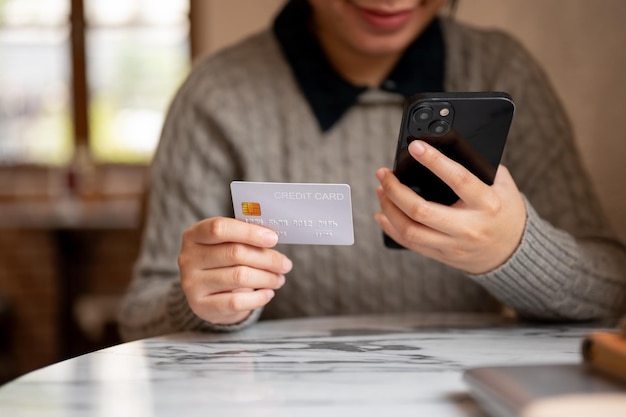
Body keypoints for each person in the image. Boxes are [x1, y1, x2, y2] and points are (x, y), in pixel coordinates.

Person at [118, 0, 626, 340]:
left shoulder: (502, 70)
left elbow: (611, 288)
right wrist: (202, 303)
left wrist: (515, 252)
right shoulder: (216, 95)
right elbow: (138, 317)